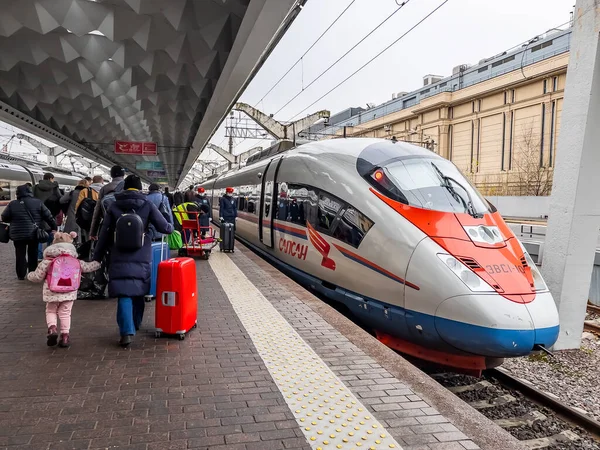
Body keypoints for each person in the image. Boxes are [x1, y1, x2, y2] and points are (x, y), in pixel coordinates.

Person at [93, 175, 173, 348]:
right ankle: (136, 323)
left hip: (118, 255)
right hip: (141, 255)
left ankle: (126, 332)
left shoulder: (114, 205)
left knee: (124, 292)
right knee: (138, 290)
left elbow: (104, 233)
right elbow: (166, 228)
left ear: (124, 188)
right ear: (139, 189)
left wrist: (97, 257)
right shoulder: (147, 204)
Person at [26, 231, 100, 348]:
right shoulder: (76, 261)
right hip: (69, 292)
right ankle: (65, 337)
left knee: (51, 311)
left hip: (52, 291)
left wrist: (29, 275)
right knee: (65, 313)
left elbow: (37, 276)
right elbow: (88, 267)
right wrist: (99, 263)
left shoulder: (48, 261)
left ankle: (52, 328)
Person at [1, 184, 57, 280]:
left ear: (18, 193)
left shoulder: (12, 204)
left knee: (19, 254)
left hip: (17, 234)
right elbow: (48, 216)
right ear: (29, 191)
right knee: (33, 252)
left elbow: (4, 217)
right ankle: (32, 272)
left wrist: (14, 219)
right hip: (33, 232)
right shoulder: (37, 202)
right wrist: (54, 227)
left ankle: (20, 275)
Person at [89, 166, 125, 239]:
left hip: (108, 225)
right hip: (127, 224)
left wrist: (93, 232)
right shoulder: (128, 186)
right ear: (123, 174)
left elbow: (97, 212)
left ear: (111, 175)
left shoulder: (104, 189)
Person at [34, 173, 62, 256]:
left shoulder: (36, 187)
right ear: (51, 178)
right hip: (51, 212)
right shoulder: (55, 187)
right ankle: (49, 253)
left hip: (38, 213)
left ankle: (39, 255)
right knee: (52, 231)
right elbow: (60, 198)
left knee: (39, 234)